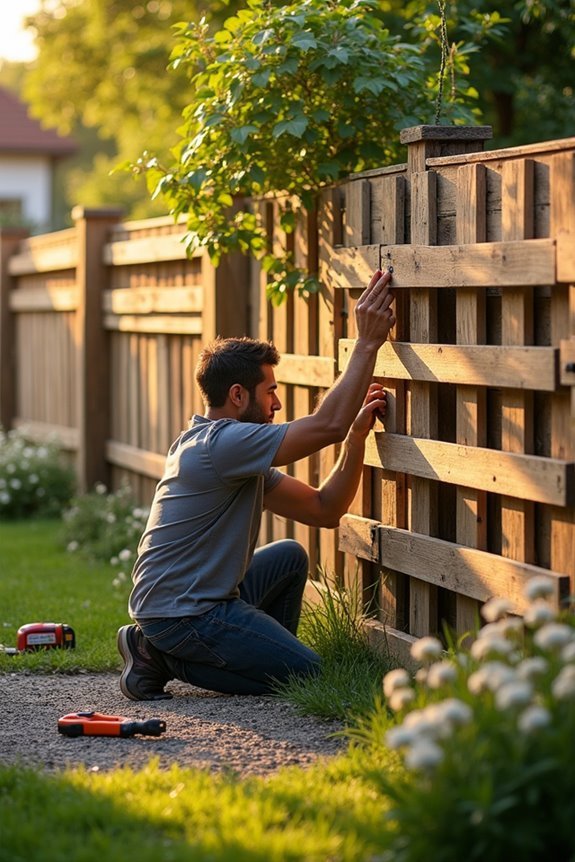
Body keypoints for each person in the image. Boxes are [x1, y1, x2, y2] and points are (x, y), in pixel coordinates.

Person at [117, 268, 395, 700]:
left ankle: (244, 653)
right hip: (184, 615)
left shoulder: (230, 455)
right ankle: (160, 655)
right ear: (237, 395)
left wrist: (356, 439)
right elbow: (327, 425)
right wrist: (367, 342)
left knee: (288, 557)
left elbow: (324, 510)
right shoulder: (220, 445)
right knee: (307, 675)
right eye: (270, 391)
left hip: (195, 602)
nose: (278, 403)